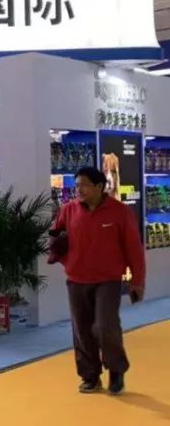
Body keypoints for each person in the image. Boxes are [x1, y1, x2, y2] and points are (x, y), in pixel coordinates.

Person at [53, 166, 145, 395]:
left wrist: (137, 282)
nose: (79, 190)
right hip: (76, 279)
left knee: (105, 326)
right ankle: (90, 376)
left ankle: (116, 370)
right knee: (82, 329)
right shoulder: (69, 210)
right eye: (77, 185)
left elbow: (134, 249)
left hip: (108, 280)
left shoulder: (120, 212)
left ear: (99, 187)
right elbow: (56, 235)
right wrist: (57, 249)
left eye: (84, 185)